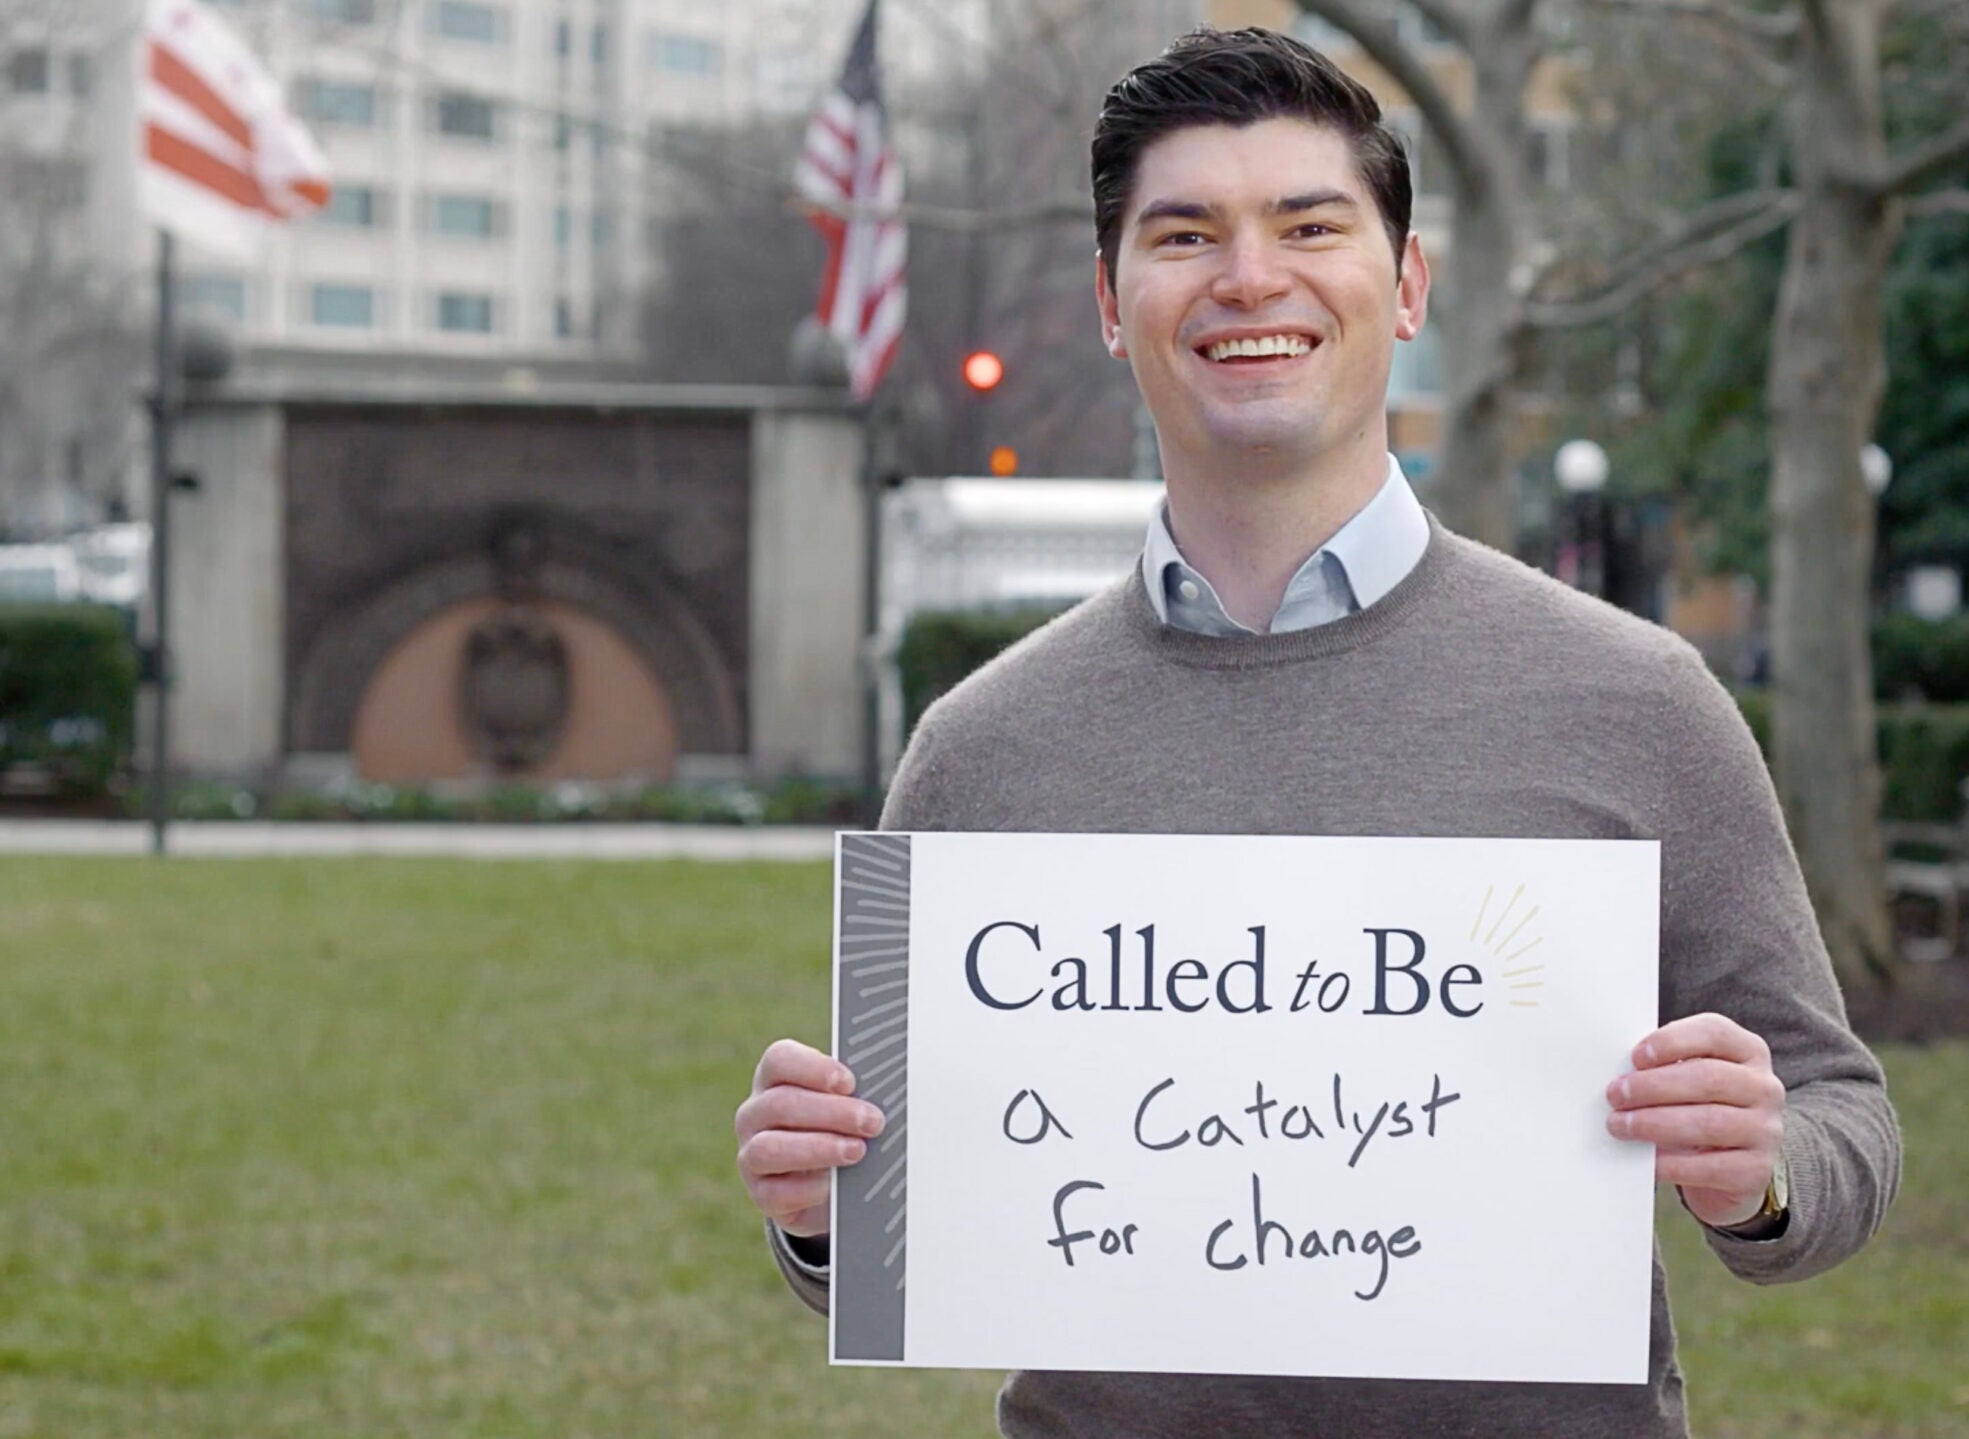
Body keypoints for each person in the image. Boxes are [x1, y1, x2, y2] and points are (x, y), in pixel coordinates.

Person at [733, 26, 1899, 1437]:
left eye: (1308, 224)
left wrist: (1762, 1165)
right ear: (1113, 303)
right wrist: (820, 1209)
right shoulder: (984, 746)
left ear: (1406, 286)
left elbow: (1844, 1117)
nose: (1248, 277)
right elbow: (909, 1225)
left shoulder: (1636, 701)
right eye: (1183, 234)